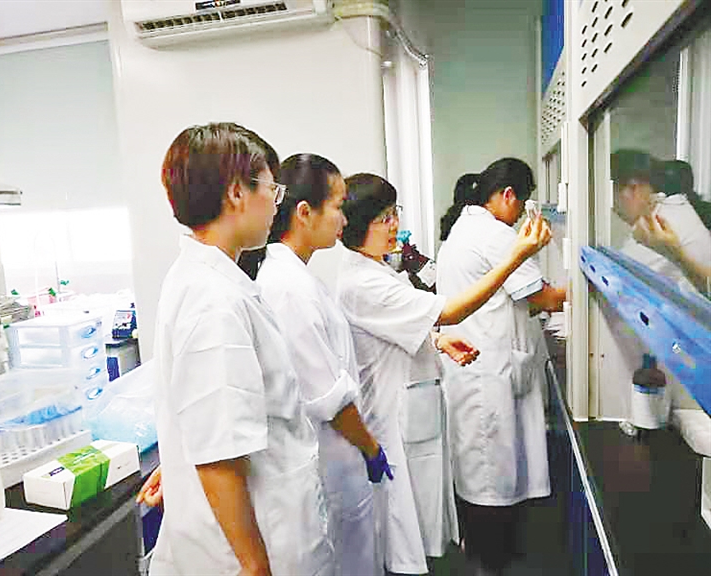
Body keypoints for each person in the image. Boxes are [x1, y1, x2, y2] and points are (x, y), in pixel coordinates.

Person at [337, 173, 551, 575]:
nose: (394, 225)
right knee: (405, 535)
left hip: (416, 411)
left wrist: (436, 340)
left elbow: (399, 323)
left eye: (394, 213)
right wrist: (515, 259)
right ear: (356, 224)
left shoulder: (378, 270)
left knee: (425, 525)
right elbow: (449, 310)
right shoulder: (361, 282)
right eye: (383, 218)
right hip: (394, 421)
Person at [148, 123, 332, 576]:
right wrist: (254, 566)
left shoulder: (210, 279)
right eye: (271, 188)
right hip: (248, 550)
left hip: (268, 520)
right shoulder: (213, 299)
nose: (276, 202)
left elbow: (206, 416)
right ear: (236, 192)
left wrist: (176, 462)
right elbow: (218, 453)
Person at [255, 153, 390, 576]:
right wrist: (371, 447)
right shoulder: (287, 288)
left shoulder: (299, 278)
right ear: (303, 213)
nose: (344, 220)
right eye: (337, 206)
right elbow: (328, 399)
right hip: (329, 461)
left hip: (337, 459)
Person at [437, 158, 566, 576]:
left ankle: (484, 557)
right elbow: (541, 297)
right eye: (522, 204)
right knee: (493, 478)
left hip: (473, 369)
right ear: (509, 195)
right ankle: (491, 564)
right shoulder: (495, 234)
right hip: (487, 373)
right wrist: (581, 288)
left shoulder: (465, 227)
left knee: (483, 473)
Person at [611, 150, 711, 295]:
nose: (613, 208)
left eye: (612, 196)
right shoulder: (671, 206)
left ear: (633, 188)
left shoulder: (662, 221)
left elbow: (617, 284)